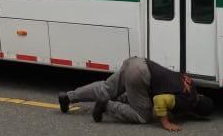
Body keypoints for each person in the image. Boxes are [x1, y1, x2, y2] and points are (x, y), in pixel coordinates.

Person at [57, 56, 214, 131]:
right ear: (195, 112)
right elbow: (159, 100)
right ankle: (106, 105)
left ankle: (69, 97)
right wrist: (166, 123)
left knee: (106, 88)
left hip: (137, 62)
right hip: (141, 75)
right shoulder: (187, 101)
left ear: (201, 96)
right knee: (143, 116)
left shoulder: (190, 84)